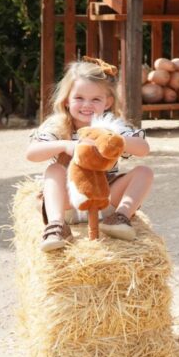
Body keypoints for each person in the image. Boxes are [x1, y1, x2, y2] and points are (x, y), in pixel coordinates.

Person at [25, 58, 153, 251]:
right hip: (69, 203)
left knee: (144, 172)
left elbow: (143, 149)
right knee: (54, 170)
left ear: (108, 102)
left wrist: (113, 141)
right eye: (79, 98)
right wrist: (66, 145)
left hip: (104, 200)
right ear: (67, 100)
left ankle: (119, 218)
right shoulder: (58, 125)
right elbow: (32, 154)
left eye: (96, 99)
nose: (87, 105)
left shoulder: (111, 126)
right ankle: (57, 226)